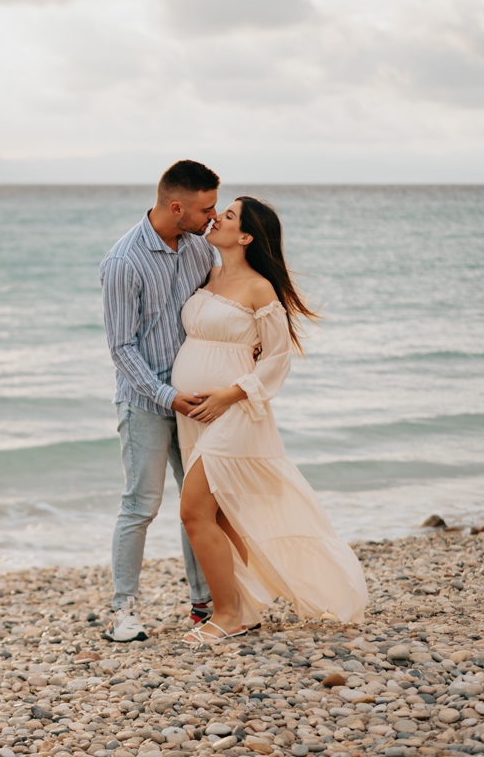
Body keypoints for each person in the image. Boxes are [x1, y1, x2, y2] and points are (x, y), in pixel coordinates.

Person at [173, 197, 367, 645]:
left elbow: (276, 360)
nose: (218, 217)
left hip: (236, 411)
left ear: (246, 236)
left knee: (194, 511)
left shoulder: (260, 288)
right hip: (196, 415)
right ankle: (242, 607)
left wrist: (230, 393)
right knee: (220, 517)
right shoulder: (209, 272)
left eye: (229, 215)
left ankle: (226, 616)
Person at [99, 159, 222, 643]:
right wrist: (167, 396)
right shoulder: (123, 262)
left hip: (195, 403)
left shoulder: (199, 250)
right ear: (177, 207)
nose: (213, 217)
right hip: (147, 404)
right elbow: (120, 349)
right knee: (140, 506)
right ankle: (124, 610)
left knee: (199, 506)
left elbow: (214, 308)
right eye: (206, 208)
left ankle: (205, 603)